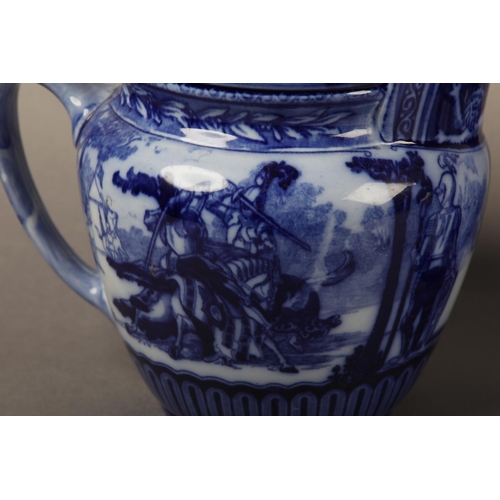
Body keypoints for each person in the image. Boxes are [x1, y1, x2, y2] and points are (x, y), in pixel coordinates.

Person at [400, 170, 461, 356]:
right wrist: (452, 268)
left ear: (447, 191)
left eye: (442, 189)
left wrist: (415, 256)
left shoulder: (435, 219)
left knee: (410, 318)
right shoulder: (456, 214)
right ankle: (414, 349)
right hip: (443, 271)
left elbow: (425, 250)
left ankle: (405, 351)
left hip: (428, 271)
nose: (439, 194)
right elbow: (452, 246)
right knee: (426, 315)